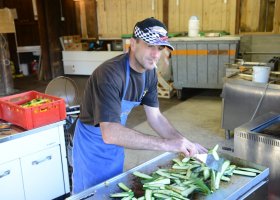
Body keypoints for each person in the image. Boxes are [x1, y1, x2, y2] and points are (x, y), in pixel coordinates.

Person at [72, 17, 207, 194]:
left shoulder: (149, 73)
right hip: (92, 146)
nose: (156, 54)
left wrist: (183, 142)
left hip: (116, 144)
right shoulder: (109, 75)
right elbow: (110, 132)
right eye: (150, 46)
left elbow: (156, 117)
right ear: (133, 44)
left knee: (112, 189)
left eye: (160, 48)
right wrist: (166, 145)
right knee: (90, 194)